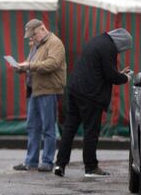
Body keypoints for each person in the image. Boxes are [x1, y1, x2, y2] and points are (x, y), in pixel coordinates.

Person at [54, 28, 133, 177]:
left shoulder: (97, 41)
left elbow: (100, 70)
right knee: (91, 132)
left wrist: (118, 74)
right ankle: (90, 167)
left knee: (69, 129)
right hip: (90, 95)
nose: (121, 51)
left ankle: (60, 165)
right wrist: (125, 78)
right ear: (121, 43)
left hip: (74, 89)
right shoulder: (109, 48)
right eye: (123, 48)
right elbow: (110, 75)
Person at [13, 19, 66, 172]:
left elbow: (52, 64)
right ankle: (31, 161)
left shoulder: (55, 43)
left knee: (48, 128)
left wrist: (28, 66)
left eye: (33, 35)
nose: (32, 38)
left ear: (42, 29)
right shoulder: (38, 45)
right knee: (32, 127)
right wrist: (21, 67)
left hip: (48, 90)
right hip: (35, 90)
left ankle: (48, 162)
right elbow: (32, 63)